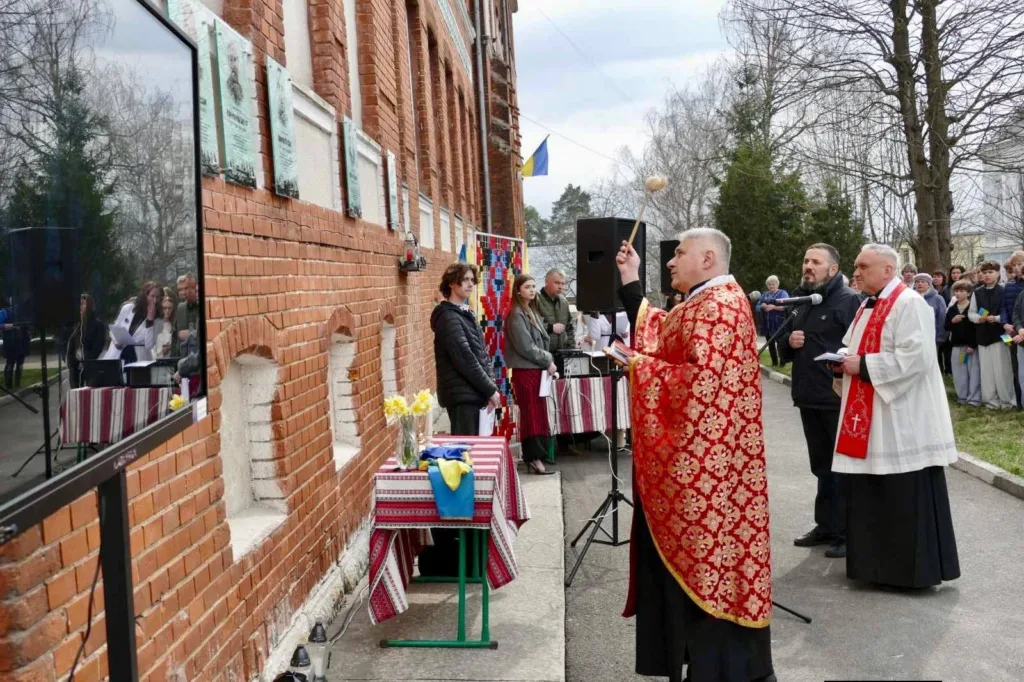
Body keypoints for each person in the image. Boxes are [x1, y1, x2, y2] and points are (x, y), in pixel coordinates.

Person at [615, 229, 774, 682]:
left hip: (712, 475)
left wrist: (636, 365)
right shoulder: (704, 302)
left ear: (707, 259)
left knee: (714, 566)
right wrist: (630, 281)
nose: (670, 261)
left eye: (679, 253)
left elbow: (697, 386)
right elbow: (662, 334)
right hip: (710, 468)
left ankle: (723, 671)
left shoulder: (720, 306)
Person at [834, 244, 960, 589]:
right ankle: (875, 568)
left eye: (864, 266)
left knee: (903, 492)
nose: (856, 272)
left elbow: (916, 358)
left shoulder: (909, 304)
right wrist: (842, 360)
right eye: (856, 266)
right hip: (872, 415)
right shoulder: (867, 304)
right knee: (873, 489)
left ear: (888, 270)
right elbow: (854, 347)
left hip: (903, 417)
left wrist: (863, 365)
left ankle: (908, 573)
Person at [776, 244, 861, 559]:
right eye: (805, 260)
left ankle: (849, 533)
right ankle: (826, 526)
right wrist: (790, 342)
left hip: (836, 397)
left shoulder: (848, 300)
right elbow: (785, 348)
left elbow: (858, 346)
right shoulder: (803, 300)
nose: (808, 266)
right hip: (808, 395)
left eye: (815, 261)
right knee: (822, 467)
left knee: (843, 469)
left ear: (833, 269)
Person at [431, 263, 500, 435]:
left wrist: (491, 388)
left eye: (472, 280)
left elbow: (483, 354)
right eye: (464, 279)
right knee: (467, 448)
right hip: (462, 398)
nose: (470, 284)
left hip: (476, 393)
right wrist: (490, 389)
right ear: (451, 283)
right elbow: (465, 359)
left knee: (479, 447)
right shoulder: (448, 317)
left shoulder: (466, 314)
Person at [504, 274, 556, 475]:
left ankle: (539, 455)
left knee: (539, 413)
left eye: (534, 286)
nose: (532, 290)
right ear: (518, 291)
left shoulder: (531, 311)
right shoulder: (516, 314)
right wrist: (548, 360)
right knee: (531, 415)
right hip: (526, 372)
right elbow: (526, 347)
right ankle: (533, 458)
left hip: (536, 371)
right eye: (527, 287)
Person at [969, 261, 1015, 410]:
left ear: (997, 273)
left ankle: (1007, 401)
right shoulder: (977, 292)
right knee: (987, 371)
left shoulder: (1004, 290)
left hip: (1002, 335)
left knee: (1003, 369)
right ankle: (991, 401)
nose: (987, 275)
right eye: (984, 272)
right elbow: (971, 313)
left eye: (990, 272)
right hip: (983, 336)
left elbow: (1010, 313)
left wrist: (996, 318)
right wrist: (979, 319)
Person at [102, 283, 159, 362]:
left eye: (157, 297)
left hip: (138, 360)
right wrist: (116, 341)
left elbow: (149, 345)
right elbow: (115, 328)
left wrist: (150, 320)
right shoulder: (128, 308)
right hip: (117, 355)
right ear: (144, 296)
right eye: (152, 296)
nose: (155, 300)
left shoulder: (157, 319)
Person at [946, 281, 981, 407]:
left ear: (969, 293)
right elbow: (946, 326)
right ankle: (962, 396)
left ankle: (974, 398)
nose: (958, 293)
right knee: (959, 372)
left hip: (970, 347)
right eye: (956, 291)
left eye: (962, 291)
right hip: (957, 345)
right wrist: (952, 321)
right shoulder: (952, 308)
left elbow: (976, 328)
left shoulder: (972, 308)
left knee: (974, 372)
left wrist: (972, 345)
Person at [66, 294, 107, 389]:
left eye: (83, 304)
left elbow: (97, 348)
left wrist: (85, 361)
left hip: (90, 368)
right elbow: (70, 347)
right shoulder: (74, 325)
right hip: (75, 370)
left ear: (89, 305)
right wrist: (72, 364)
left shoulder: (98, 325)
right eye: (79, 304)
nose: (80, 306)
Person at [1000, 252, 1024, 408]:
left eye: (1019, 264)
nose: (1016, 268)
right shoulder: (1009, 285)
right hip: (1011, 332)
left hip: (1021, 330)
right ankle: (1019, 401)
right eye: (1013, 265)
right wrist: (1005, 324)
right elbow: (1004, 307)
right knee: (1016, 366)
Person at [534, 268, 576, 353]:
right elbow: (531, 326)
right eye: (557, 283)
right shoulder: (535, 300)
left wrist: (572, 349)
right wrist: (550, 328)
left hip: (562, 353)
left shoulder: (564, 301)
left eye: (563, 284)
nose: (560, 287)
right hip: (542, 353)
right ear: (546, 282)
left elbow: (569, 328)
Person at [914, 274, 947, 364]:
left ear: (929, 284)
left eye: (923, 282)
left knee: (931, 362)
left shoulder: (937, 299)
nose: (920, 284)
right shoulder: (910, 298)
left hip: (932, 337)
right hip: (914, 338)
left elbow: (942, 319)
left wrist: (940, 337)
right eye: (917, 282)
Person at [756, 275, 788, 366]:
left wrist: (774, 307)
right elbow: (757, 307)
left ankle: (782, 363)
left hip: (779, 324)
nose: (771, 286)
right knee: (770, 344)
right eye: (769, 284)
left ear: (777, 284)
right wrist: (762, 306)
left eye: (773, 284)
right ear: (767, 286)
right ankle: (774, 363)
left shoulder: (783, 293)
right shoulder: (764, 295)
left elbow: (787, 306)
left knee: (781, 344)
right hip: (767, 324)